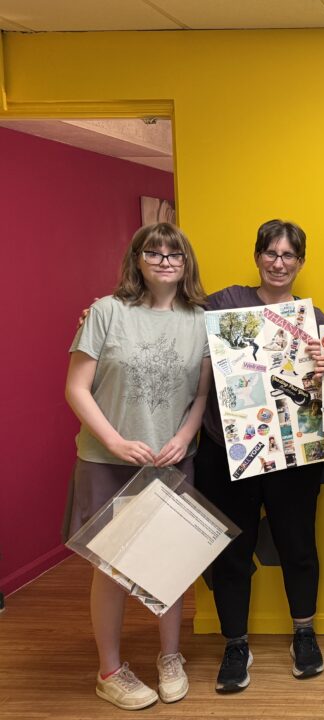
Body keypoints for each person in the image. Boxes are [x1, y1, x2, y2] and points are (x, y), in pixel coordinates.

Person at [65, 223, 213, 710]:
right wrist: (114, 439)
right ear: (138, 258)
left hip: (170, 461)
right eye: (155, 251)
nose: (166, 260)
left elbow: (201, 397)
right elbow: (77, 388)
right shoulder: (106, 313)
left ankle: (170, 657)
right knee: (110, 569)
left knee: (168, 565)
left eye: (175, 253)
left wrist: (183, 438)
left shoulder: (201, 320)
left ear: (186, 262)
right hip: (108, 460)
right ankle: (110, 670)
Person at [193, 219, 324, 693]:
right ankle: (236, 643)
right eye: (271, 254)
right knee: (232, 549)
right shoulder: (223, 304)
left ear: (300, 262)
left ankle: (304, 632)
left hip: (294, 450)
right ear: (257, 257)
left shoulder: (316, 320)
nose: (279, 263)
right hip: (226, 449)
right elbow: (173, 324)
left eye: (288, 255)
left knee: (298, 544)